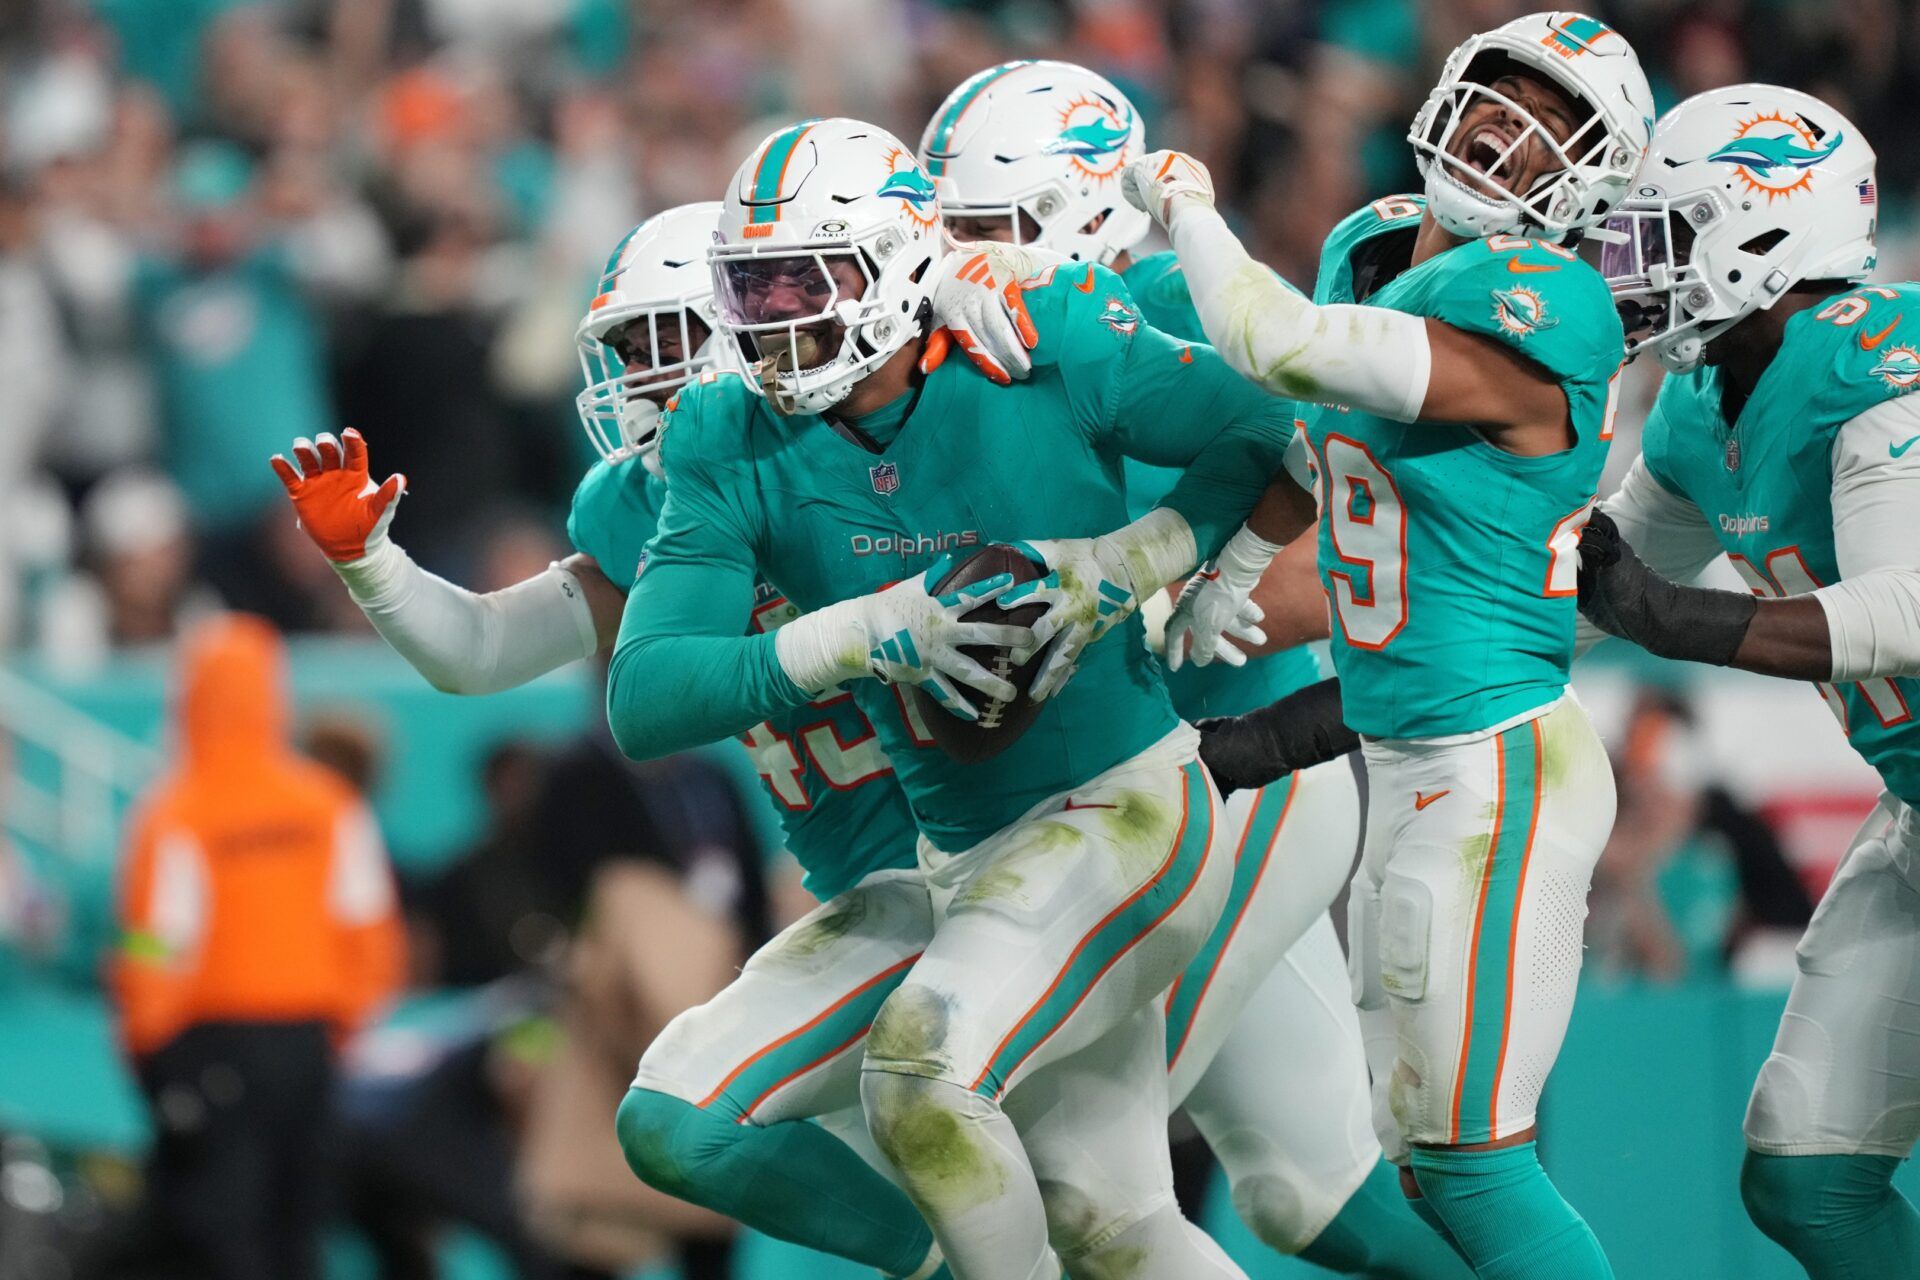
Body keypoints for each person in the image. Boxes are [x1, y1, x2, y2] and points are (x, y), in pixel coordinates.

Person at [272, 200, 1034, 1280]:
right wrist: (374, 567)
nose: (633, 373)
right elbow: (482, 650)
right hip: (881, 895)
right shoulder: (655, 507)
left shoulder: (870, 454)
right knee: (700, 1124)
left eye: (654, 342)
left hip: (1007, 859)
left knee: (1171, 1192)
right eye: (623, 349)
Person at [604, 116, 1298, 1279]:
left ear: (892, 263)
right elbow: (645, 696)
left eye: (803, 279)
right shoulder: (727, 429)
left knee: (922, 1074)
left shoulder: (1037, 332)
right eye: (752, 285)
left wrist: (1131, 560)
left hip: (1126, 807)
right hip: (957, 861)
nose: (775, 318)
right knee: (1116, 1230)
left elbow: (1275, 418)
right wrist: (867, 630)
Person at [1123, 12, 1652, 1277]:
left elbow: (1278, 347)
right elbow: (1321, 438)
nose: (1502, 134)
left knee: (1473, 1164)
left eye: (1547, 127)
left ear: (1587, 180)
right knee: (1426, 1156)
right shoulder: (1372, 241)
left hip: (1497, 760)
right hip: (1403, 751)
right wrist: (1243, 563)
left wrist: (1189, 203)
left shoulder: (1556, 304)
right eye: (1495, 99)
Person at [921, 58, 1466, 1279]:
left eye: (991, 226)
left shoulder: (1177, 303)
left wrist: (1156, 594)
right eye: (943, 225)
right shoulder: (937, 341)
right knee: (1305, 1188)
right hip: (1099, 797)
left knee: (1055, 1169)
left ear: (1085, 216)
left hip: (1235, 785)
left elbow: (1356, 547)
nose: (963, 257)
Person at [1572, 84, 1920, 1279]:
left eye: (1663, 232)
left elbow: (1912, 609)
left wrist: (1676, 617)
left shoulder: (1878, 360)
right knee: (1807, 1173)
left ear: (1765, 231)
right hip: (1915, 805)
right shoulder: (1701, 399)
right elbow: (1588, 589)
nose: (1630, 263)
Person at [110, 613, 403, 1280]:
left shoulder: (174, 812)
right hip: (306, 1044)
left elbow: (153, 943)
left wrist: (149, 1046)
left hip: (210, 1048)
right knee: (297, 1227)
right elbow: (369, 927)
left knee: (214, 1231)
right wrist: (343, 1023)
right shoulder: (326, 803)